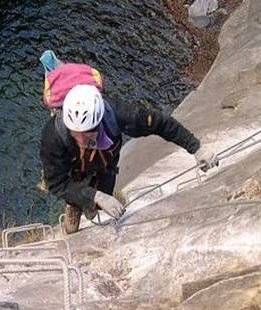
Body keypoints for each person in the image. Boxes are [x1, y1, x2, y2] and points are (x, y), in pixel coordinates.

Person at [39, 84, 217, 234]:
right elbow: (57, 183)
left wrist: (196, 148)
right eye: (77, 134)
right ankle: (74, 206)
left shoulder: (119, 115)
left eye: (88, 133)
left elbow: (160, 124)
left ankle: (90, 203)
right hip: (73, 168)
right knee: (78, 196)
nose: (83, 140)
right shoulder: (53, 137)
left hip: (104, 165)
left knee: (103, 201)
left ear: (99, 122)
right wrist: (92, 196)